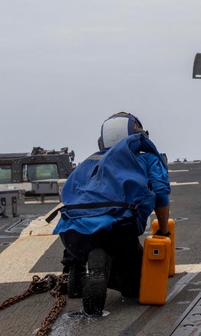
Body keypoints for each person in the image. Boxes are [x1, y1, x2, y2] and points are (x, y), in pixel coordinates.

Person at [53, 112, 171, 315]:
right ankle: (104, 261)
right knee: (135, 288)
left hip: (72, 239)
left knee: (82, 220)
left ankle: (75, 275)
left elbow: (72, 200)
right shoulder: (147, 159)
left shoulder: (89, 162)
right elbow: (160, 192)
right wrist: (163, 230)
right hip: (117, 233)